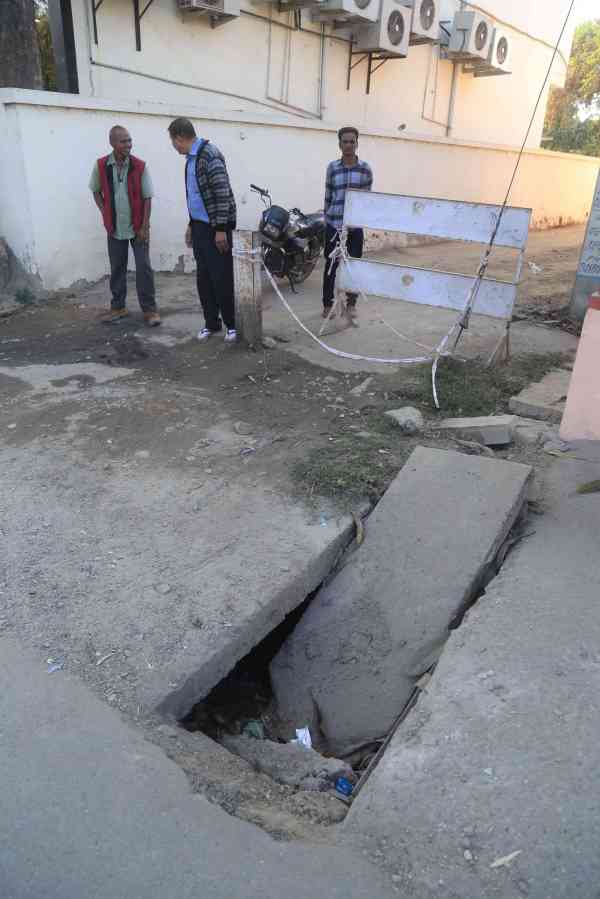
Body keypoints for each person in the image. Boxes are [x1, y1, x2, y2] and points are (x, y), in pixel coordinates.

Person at [168, 117, 237, 343]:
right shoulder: (190, 160)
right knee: (204, 278)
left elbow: (222, 193)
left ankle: (232, 325)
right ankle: (211, 323)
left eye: (173, 141)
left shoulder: (209, 155)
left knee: (221, 278)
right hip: (199, 227)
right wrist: (191, 224)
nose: (173, 146)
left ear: (179, 137)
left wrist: (219, 229)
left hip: (216, 227)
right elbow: (196, 196)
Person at [89, 125, 160, 326]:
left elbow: (147, 198)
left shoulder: (140, 166)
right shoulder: (101, 165)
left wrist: (145, 226)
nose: (129, 144)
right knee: (117, 267)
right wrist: (105, 212)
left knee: (144, 268)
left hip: (138, 226)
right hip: (114, 227)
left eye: (129, 140)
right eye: (124, 141)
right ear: (112, 143)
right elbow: (95, 190)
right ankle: (118, 307)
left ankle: (150, 310)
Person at [322, 126, 373, 321]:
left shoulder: (365, 170)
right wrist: (328, 219)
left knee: (353, 266)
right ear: (340, 144)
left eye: (352, 141)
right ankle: (327, 305)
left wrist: (359, 221)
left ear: (357, 144)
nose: (349, 145)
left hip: (354, 227)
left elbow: (366, 200)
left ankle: (351, 304)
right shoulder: (332, 168)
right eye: (345, 141)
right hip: (334, 225)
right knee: (331, 265)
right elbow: (328, 195)